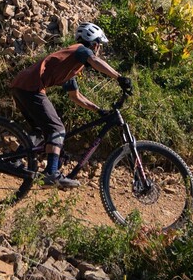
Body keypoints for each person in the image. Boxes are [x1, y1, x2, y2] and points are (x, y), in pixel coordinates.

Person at [9, 23, 130, 188]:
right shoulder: (79, 49)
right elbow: (94, 60)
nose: (99, 49)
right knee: (57, 129)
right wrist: (119, 77)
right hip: (31, 87)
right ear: (94, 44)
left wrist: (98, 110)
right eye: (99, 45)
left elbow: (75, 96)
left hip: (21, 86)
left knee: (39, 130)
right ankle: (52, 173)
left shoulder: (71, 62)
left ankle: (13, 161)